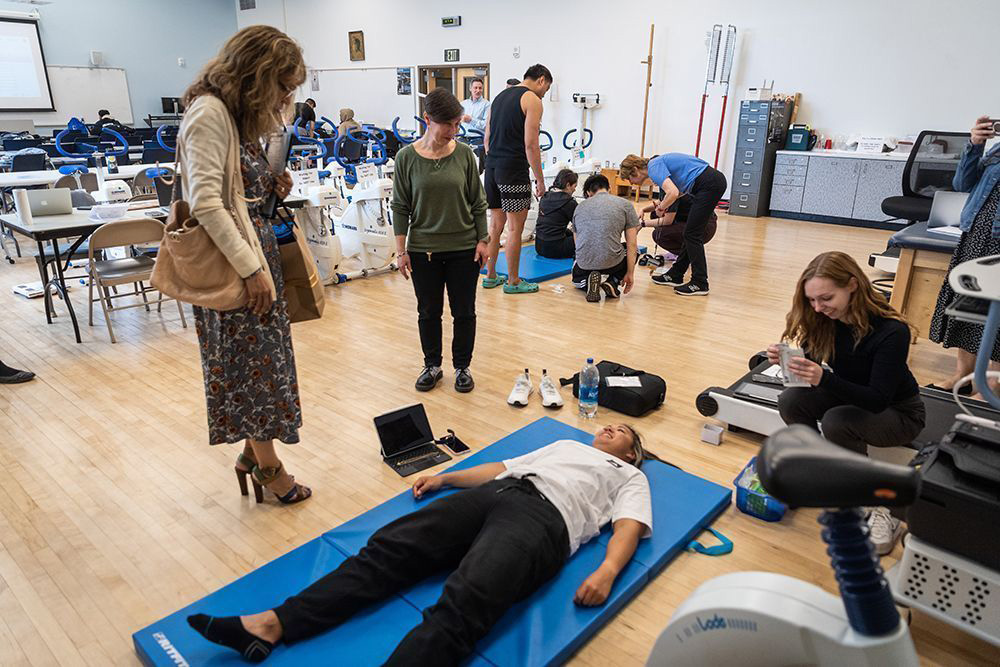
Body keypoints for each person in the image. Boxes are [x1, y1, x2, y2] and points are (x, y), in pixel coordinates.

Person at [187, 424, 652, 665]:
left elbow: (628, 526)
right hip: (495, 495)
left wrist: (607, 572)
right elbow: (500, 467)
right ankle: (270, 624)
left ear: (632, 453)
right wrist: (445, 477)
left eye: (621, 433)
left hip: (545, 521)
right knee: (386, 551)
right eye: (606, 425)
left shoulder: (629, 475)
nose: (609, 429)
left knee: (468, 599)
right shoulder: (562, 446)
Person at [180, 25, 311, 505]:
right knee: (251, 369)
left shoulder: (235, 116)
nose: (285, 96)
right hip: (236, 265)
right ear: (257, 74)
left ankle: (252, 457)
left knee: (266, 366)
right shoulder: (209, 114)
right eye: (281, 84)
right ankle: (269, 468)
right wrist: (250, 268)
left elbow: (235, 190)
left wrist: (270, 188)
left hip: (255, 256)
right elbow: (206, 203)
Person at [772, 251, 925, 555]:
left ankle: (864, 497)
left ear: (852, 284)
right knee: (791, 400)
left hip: (900, 412)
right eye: (812, 300)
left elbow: (877, 400)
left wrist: (823, 379)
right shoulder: (824, 318)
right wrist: (790, 362)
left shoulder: (892, 331)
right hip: (853, 395)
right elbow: (810, 375)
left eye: (826, 298)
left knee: (837, 421)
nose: (818, 307)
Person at [391, 88, 488, 393]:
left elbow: (478, 202)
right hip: (423, 251)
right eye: (449, 125)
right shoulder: (406, 158)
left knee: (464, 311)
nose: (454, 131)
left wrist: (483, 240)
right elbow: (400, 207)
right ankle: (432, 364)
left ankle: (462, 367)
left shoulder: (464, 155)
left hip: (463, 249)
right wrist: (400, 251)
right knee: (429, 311)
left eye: (458, 124)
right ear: (428, 119)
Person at [928, 115, 1000, 397]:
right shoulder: (994, 150)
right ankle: (965, 375)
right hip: (975, 234)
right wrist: (975, 144)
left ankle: (993, 385)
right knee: (967, 305)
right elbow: (962, 184)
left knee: (997, 312)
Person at [481, 64, 554, 295]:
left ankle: (491, 276)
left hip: (492, 167)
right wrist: (540, 180)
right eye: (546, 88)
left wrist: (495, 161)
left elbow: (487, 138)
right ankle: (513, 281)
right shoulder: (532, 99)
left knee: (495, 224)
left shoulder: (499, 98)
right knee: (515, 228)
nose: (544, 94)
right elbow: (531, 144)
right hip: (513, 169)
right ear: (541, 80)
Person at [618, 153, 727, 296]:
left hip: (709, 184)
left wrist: (661, 208)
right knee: (690, 233)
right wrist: (661, 205)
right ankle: (676, 274)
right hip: (708, 183)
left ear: (636, 170)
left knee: (692, 235)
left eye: (630, 179)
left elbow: (673, 193)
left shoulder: (654, 167)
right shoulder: (657, 164)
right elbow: (680, 192)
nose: (632, 184)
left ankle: (700, 282)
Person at [571, 174, 640, 302]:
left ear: (588, 192)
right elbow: (632, 245)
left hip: (585, 263)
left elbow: (577, 243)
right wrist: (630, 274)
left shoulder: (579, 207)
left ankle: (587, 283)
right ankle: (613, 282)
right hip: (612, 263)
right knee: (636, 250)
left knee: (576, 279)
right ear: (609, 189)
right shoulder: (625, 204)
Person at [641, 193, 718, 259]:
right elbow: (661, 201)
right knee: (655, 214)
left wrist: (642, 224)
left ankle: (686, 256)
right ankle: (681, 251)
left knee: (659, 234)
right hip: (696, 222)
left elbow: (667, 221)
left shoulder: (675, 191)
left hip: (703, 229)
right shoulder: (672, 186)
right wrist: (643, 209)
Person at [534, 168, 578, 259]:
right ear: (568, 185)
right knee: (587, 238)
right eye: (574, 186)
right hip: (556, 249)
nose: (575, 190)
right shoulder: (569, 202)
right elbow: (582, 225)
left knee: (568, 232)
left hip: (539, 246)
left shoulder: (545, 196)